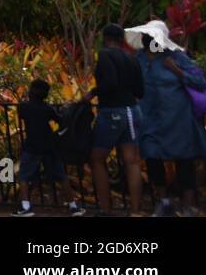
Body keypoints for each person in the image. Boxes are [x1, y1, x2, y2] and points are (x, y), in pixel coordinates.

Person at [127, 20, 206, 215]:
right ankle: (164, 202)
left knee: (183, 160)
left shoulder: (177, 57)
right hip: (150, 118)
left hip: (178, 119)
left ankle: (187, 205)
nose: (147, 40)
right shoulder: (139, 59)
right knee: (152, 156)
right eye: (145, 36)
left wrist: (176, 71)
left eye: (151, 37)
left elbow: (199, 82)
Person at [84, 23, 144, 215]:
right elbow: (140, 91)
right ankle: (135, 211)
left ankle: (106, 209)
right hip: (132, 111)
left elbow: (109, 82)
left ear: (105, 38)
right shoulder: (132, 58)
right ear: (121, 40)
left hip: (112, 112)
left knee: (96, 159)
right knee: (132, 161)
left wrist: (92, 93)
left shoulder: (105, 54)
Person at [14, 79, 83, 217]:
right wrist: (57, 135)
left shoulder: (24, 107)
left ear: (31, 91)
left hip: (32, 146)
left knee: (24, 176)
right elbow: (62, 122)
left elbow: (21, 113)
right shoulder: (47, 109)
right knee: (61, 176)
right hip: (49, 146)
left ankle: (26, 207)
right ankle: (73, 207)